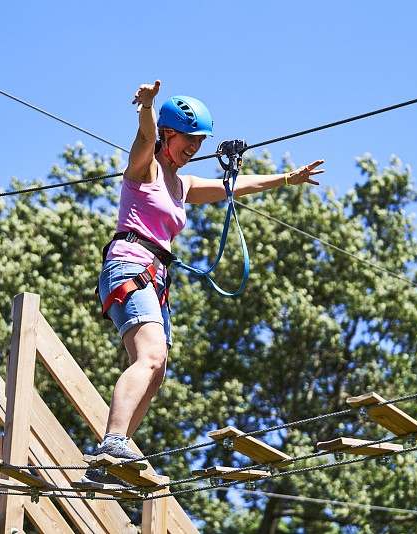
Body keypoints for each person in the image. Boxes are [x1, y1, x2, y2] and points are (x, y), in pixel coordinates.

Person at [84, 80, 323, 485]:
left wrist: (286, 178)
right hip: (130, 265)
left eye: (199, 142)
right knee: (151, 357)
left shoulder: (184, 184)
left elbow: (233, 188)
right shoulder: (145, 168)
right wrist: (148, 106)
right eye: (187, 140)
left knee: (156, 371)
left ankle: (113, 455)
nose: (194, 148)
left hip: (155, 278)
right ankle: (113, 442)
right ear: (167, 134)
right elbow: (144, 135)